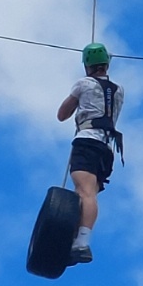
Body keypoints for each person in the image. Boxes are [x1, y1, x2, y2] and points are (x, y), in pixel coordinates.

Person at [57, 42, 124, 264]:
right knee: (88, 194)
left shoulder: (83, 84)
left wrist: (77, 99)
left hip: (87, 141)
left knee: (84, 192)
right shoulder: (119, 90)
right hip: (107, 149)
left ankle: (82, 243)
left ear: (87, 65)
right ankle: (77, 239)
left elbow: (62, 114)